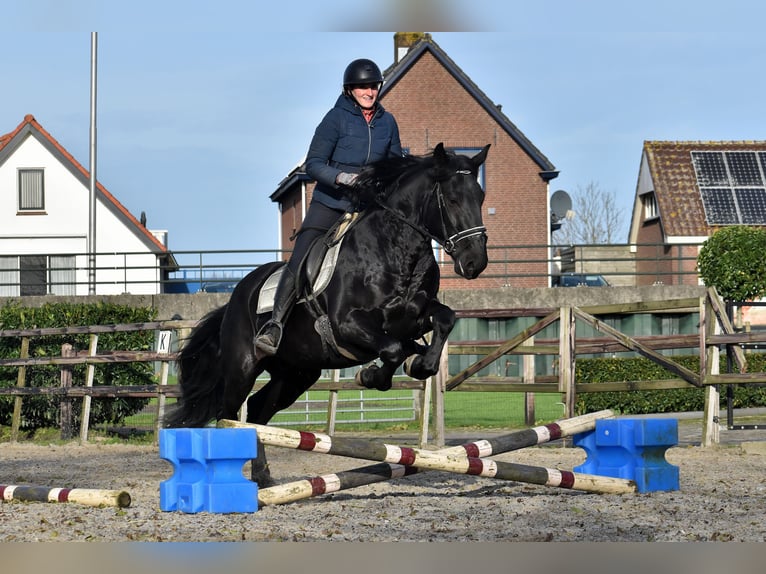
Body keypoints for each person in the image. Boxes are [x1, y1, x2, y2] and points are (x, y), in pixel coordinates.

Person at [255, 58, 403, 356]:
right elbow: (313, 164)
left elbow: (396, 163)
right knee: (301, 259)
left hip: (368, 208)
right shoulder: (334, 119)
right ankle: (274, 325)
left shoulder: (388, 122)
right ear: (350, 90)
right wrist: (342, 177)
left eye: (373, 86)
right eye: (363, 86)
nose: (369, 91)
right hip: (331, 203)